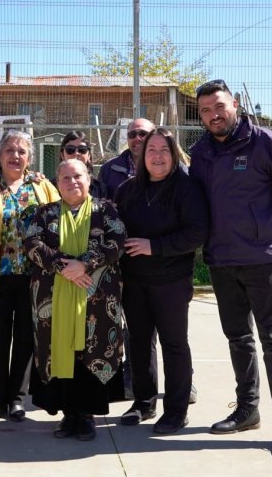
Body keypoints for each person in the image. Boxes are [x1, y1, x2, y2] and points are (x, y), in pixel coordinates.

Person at [189, 79, 272, 458]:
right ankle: (247, 409)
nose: (213, 115)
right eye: (205, 110)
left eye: (219, 106)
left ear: (235, 105)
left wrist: (268, 227)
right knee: (238, 338)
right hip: (222, 260)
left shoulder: (264, 142)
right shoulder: (201, 153)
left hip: (262, 259)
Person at [114, 128, 209, 435]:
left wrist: (154, 247)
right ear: (142, 156)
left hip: (171, 281)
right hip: (134, 281)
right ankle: (143, 402)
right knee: (139, 343)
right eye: (151, 150)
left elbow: (196, 233)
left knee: (174, 343)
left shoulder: (187, 188)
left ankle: (176, 411)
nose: (157, 156)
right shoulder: (128, 190)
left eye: (164, 150)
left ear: (174, 154)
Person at [24, 159, 126, 441]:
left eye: (78, 176)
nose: (72, 182)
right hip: (53, 299)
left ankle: (87, 415)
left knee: (90, 352)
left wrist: (84, 265)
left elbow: (116, 242)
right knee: (60, 350)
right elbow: (32, 243)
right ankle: (68, 414)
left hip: (97, 301)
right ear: (57, 183)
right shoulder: (44, 213)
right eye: (65, 178)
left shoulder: (106, 210)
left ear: (89, 179)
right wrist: (63, 266)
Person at [0, 130, 61, 422]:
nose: (15, 156)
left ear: (30, 158)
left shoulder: (42, 186)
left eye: (21, 151)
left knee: (26, 339)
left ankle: (17, 400)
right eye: (9, 150)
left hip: (34, 277)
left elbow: (61, 222)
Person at [98, 117, 155, 199]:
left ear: (154, 137)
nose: (137, 138)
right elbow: (99, 200)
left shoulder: (164, 167)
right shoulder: (108, 169)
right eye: (132, 134)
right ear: (128, 139)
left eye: (143, 133)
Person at [52, 131, 108, 198]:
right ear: (62, 155)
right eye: (70, 149)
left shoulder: (100, 189)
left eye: (82, 149)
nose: (76, 153)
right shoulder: (50, 187)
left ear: (89, 155)